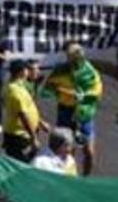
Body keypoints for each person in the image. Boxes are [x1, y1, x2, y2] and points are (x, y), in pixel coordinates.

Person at [41, 42, 101, 175]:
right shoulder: (60, 71)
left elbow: (96, 93)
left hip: (84, 114)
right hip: (65, 112)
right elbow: (47, 89)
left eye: (78, 55)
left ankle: (85, 180)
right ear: (68, 57)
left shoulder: (90, 72)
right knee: (67, 152)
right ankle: (70, 179)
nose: (76, 59)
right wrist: (65, 92)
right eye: (72, 56)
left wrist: (82, 97)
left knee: (89, 152)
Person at [2, 59, 46, 162]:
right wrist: (33, 137)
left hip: (20, 133)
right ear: (22, 72)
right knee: (21, 163)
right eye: (27, 69)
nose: (28, 71)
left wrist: (39, 122)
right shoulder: (16, 91)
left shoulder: (17, 86)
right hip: (19, 135)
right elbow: (23, 115)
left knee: (23, 161)